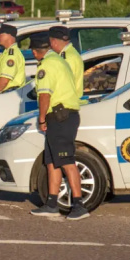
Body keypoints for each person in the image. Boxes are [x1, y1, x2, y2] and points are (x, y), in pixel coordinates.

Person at [28, 35, 88, 220]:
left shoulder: (47, 65)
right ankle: (52, 203)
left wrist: (41, 119)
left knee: (66, 160)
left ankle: (79, 205)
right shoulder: (59, 61)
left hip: (60, 117)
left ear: (35, 51)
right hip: (64, 116)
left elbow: (44, 95)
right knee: (53, 161)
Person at [49, 26, 84, 102]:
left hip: (66, 103)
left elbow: (63, 84)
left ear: (54, 42)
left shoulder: (67, 57)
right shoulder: (71, 53)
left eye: (50, 42)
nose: (50, 46)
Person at [0, 23, 26, 93]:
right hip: (7, 93)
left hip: (9, 93)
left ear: (9, 35)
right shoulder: (6, 52)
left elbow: (4, 80)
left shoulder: (11, 55)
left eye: (1, 35)